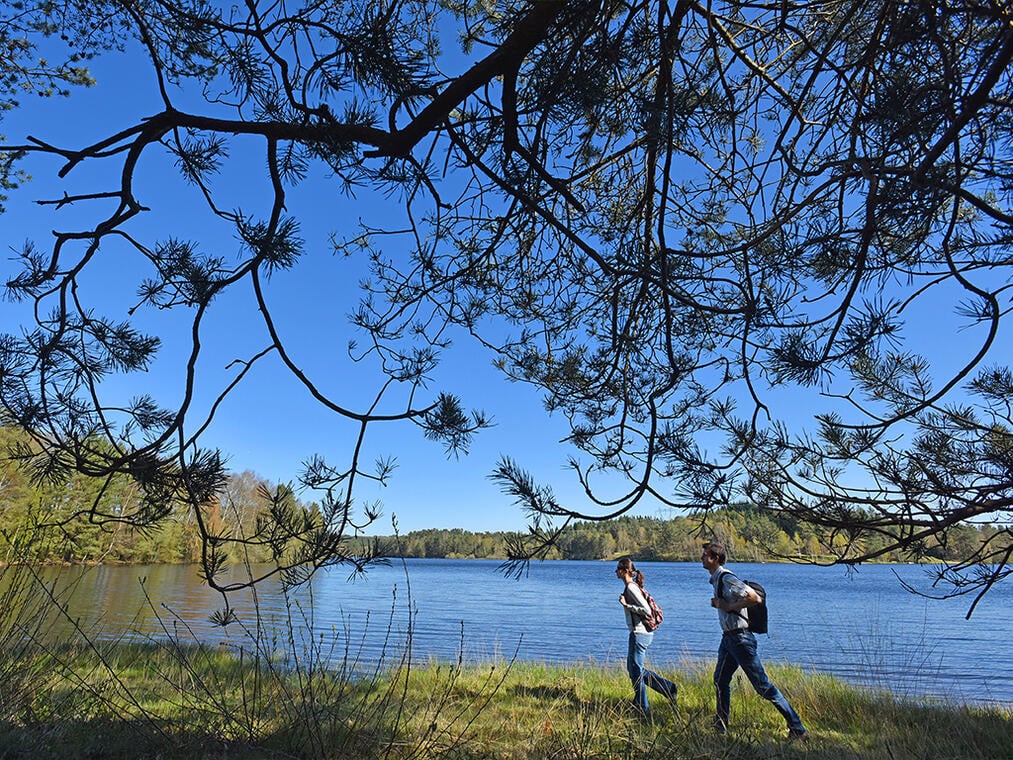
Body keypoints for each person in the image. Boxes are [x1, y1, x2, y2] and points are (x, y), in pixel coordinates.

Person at [702, 541, 809, 741]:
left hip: (741, 640)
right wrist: (720, 604)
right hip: (729, 640)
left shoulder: (726, 578)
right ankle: (721, 724)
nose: (701, 558)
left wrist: (729, 606)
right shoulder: (716, 580)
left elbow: (754, 598)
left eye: (705, 555)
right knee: (720, 680)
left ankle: (798, 729)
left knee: (763, 686)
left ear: (715, 559)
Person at [616, 556, 678, 718]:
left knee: (636, 673)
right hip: (642, 633)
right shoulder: (633, 586)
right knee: (635, 670)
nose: (616, 572)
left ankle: (643, 708)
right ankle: (667, 688)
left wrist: (626, 605)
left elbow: (646, 610)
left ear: (625, 572)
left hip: (639, 634)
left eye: (618, 569)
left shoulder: (631, 588)